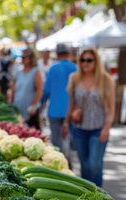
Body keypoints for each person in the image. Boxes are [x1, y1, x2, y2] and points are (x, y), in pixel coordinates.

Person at [62, 47, 115, 187]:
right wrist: (66, 123)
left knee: (94, 164)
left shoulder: (106, 80)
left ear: (96, 62)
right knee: (84, 165)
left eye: (89, 60)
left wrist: (106, 128)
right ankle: (88, 196)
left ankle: (99, 195)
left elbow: (111, 108)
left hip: (99, 128)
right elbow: (71, 104)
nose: (85, 63)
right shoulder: (74, 78)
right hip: (79, 129)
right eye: (82, 60)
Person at [40, 43, 76, 159]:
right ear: (69, 53)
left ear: (57, 54)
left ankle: (62, 164)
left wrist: (39, 105)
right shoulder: (76, 68)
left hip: (55, 111)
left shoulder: (53, 69)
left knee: (57, 143)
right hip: (72, 112)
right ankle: (68, 162)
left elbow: (45, 91)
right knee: (68, 139)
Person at [9, 48, 43, 129]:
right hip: (17, 108)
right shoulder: (19, 73)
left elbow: (39, 90)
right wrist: (10, 94)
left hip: (30, 112)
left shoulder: (35, 72)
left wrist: (33, 105)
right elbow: (12, 89)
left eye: (24, 57)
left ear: (30, 59)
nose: (22, 59)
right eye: (22, 57)